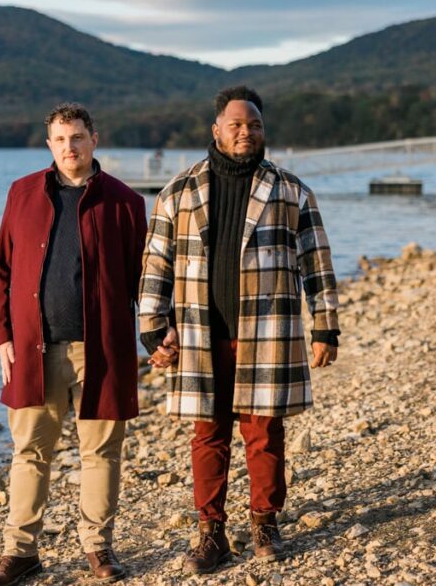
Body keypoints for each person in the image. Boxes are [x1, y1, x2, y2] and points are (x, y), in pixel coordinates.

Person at [138, 85, 340, 574]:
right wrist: (152, 329)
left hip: (267, 331)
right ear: (217, 130)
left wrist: (325, 328)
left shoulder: (291, 190)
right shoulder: (179, 191)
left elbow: (317, 262)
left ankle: (265, 523)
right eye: (236, 125)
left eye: (254, 124)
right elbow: (155, 263)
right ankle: (211, 534)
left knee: (264, 431)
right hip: (199, 334)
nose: (246, 132)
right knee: (208, 434)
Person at [0, 102, 147, 586]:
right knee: (29, 452)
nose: (69, 147)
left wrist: (161, 333)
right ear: (49, 144)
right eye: (59, 139)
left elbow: (144, 281)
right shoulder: (22, 193)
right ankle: (20, 553)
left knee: (102, 453)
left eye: (77, 137)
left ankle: (98, 547)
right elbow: (0, 271)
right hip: (33, 350)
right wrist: (1, 336)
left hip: (102, 351)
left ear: (94, 139)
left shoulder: (124, 202)